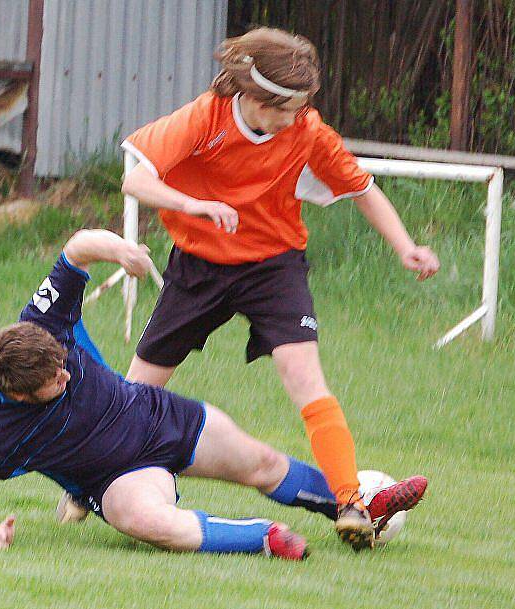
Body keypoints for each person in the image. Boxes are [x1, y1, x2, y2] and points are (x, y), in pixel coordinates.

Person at [116, 27, 440, 550]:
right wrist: (193, 205)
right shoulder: (206, 117)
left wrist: (405, 247)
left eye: (301, 108)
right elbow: (136, 179)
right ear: (253, 97)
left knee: (306, 378)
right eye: (286, 109)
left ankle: (352, 503)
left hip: (273, 267)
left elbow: (363, 189)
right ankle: (92, 484)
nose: (296, 119)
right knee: (138, 391)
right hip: (198, 266)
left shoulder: (309, 131)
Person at [0, 229, 427, 557]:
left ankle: (361, 505)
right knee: (146, 522)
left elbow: (76, 249)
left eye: (62, 364)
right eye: (54, 384)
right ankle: (263, 538)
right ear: (20, 396)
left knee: (263, 465)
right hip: (117, 476)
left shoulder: (41, 323)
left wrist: (118, 250)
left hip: (159, 416)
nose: (66, 376)